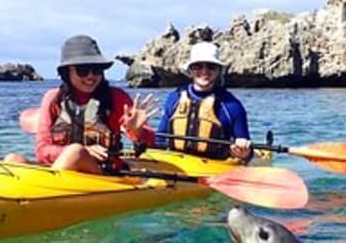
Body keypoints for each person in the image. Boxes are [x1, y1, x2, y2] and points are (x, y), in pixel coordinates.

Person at [27, 34, 157, 173]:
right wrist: (83, 151)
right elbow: (42, 151)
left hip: (103, 175)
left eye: (96, 70)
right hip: (62, 171)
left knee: (75, 152)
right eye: (82, 70)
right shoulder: (53, 98)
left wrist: (137, 131)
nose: (90, 76)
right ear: (67, 72)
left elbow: (149, 140)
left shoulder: (116, 97)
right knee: (13, 159)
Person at [156, 41, 252, 161]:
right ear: (190, 70)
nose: (204, 71)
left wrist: (243, 153)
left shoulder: (232, 106)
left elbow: (247, 152)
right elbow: (159, 141)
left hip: (215, 169)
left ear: (218, 71)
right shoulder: (174, 98)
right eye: (198, 66)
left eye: (211, 67)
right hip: (177, 166)